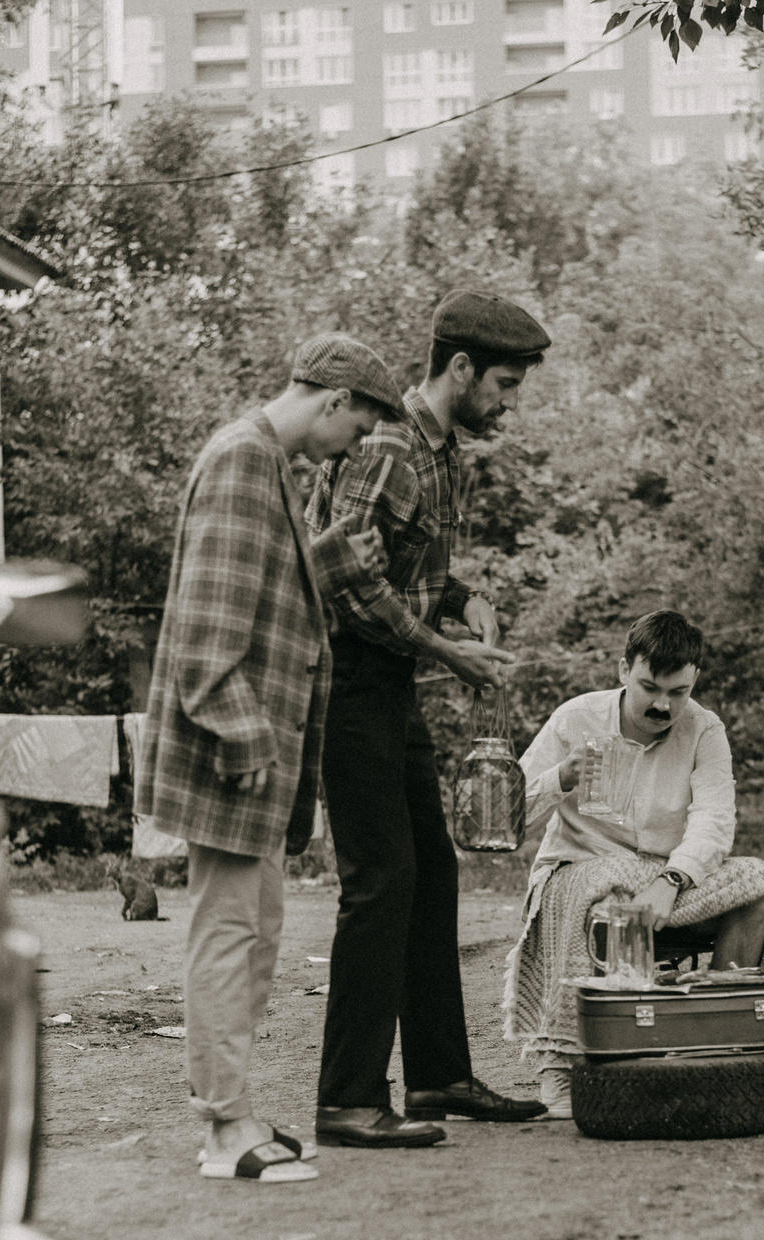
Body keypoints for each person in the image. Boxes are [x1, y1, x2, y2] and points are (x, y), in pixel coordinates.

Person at [136, 335, 402, 1182]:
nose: (352, 448)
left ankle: (237, 1111)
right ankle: (224, 1130)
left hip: (254, 751)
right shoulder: (246, 459)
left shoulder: (267, 465)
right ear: (331, 401)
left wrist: (325, 559)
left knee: (255, 933)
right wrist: (241, 731)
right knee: (229, 932)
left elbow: (263, 584)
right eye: (356, 429)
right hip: (236, 749)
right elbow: (209, 621)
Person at [305, 291, 552, 1146]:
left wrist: (467, 599)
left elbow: (410, 570)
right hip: (349, 678)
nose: (509, 403)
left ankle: (440, 1078)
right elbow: (341, 572)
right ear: (458, 370)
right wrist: (447, 652)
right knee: (380, 883)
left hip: (395, 679)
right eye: (505, 385)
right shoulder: (388, 446)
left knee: (432, 874)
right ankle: (347, 1097)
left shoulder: (449, 457)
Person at [503, 611, 764, 1119]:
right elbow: (509, 822)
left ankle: (719, 1046)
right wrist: (561, 777)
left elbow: (714, 820)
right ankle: (564, 1064)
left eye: (678, 691)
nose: (664, 704)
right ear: (623, 670)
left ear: (694, 680)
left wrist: (672, 879)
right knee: (607, 892)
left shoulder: (705, 729)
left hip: (667, 876)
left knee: (758, 887)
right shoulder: (576, 718)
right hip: (580, 866)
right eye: (650, 687)